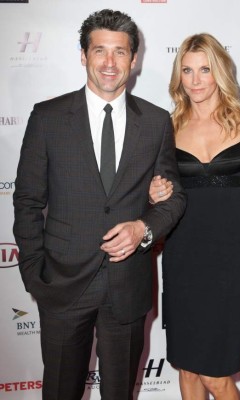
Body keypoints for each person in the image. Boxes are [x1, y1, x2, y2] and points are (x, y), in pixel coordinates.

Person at [13, 9, 186, 400]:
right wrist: (33, 272)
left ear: (134, 59)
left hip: (128, 286)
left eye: (120, 52)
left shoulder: (157, 122)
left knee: (120, 393)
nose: (110, 63)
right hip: (61, 283)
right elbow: (27, 201)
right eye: (100, 51)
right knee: (60, 391)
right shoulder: (48, 117)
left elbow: (173, 197)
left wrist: (144, 228)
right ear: (83, 55)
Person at [149, 33, 240, 399]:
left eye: (205, 69)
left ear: (220, 72)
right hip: (182, 257)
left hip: (229, 258)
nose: (196, 80)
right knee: (187, 370)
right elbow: (153, 193)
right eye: (187, 70)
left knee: (216, 376)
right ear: (179, 77)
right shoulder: (166, 129)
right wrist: (153, 193)